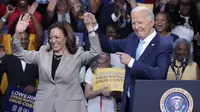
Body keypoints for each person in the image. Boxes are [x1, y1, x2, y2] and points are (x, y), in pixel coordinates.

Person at [10, 12, 101, 112]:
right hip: (45, 106)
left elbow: (95, 53)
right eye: (50, 37)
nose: (53, 41)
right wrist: (18, 33)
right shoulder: (43, 52)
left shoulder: (77, 54)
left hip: (71, 107)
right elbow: (18, 52)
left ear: (66, 38)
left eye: (56, 37)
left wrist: (90, 30)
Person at [92, 6, 172, 112]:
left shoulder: (163, 45)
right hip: (128, 103)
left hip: (148, 103)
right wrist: (94, 26)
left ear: (151, 23)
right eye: (133, 23)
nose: (136, 27)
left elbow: (160, 74)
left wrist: (131, 62)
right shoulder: (132, 38)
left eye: (140, 22)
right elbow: (107, 45)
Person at [0, 33, 39, 109]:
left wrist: (35, 88)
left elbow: (46, 81)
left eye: (25, 39)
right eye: (21, 39)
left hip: (28, 101)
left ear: (28, 41)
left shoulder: (36, 59)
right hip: (10, 99)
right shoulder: (8, 58)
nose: (24, 41)